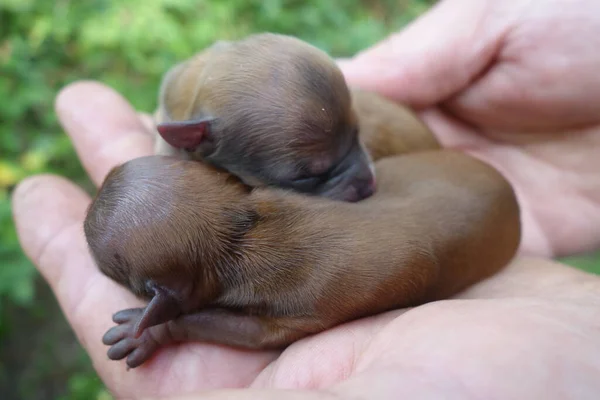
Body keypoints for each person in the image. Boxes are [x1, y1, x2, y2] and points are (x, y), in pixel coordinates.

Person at [11, 0, 600, 398]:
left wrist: (174, 324)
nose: (366, 175)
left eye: (356, 142)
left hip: (436, 180)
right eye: (312, 171)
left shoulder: (302, 201)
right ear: (199, 150)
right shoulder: (204, 141)